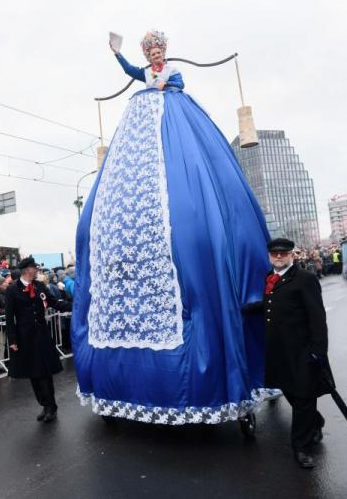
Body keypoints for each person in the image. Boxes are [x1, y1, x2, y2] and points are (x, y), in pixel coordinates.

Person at [71, 30, 271, 425]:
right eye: (151, 52)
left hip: (172, 124)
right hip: (142, 125)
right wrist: (118, 54)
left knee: (191, 200)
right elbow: (132, 71)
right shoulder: (144, 75)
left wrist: (162, 84)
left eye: (158, 50)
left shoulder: (173, 77)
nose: (155, 56)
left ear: (165, 51)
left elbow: (171, 83)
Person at [248, 238, 330, 469]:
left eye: (284, 253)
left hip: (303, 351)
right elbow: (272, 303)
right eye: (275, 254)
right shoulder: (269, 277)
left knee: (303, 397)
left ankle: (302, 448)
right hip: (279, 351)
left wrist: (319, 351)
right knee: (293, 394)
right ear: (269, 256)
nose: (279, 257)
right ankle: (316, 422)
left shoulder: (306, 279)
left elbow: (317, 317)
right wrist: (251, 308)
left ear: (292, 255)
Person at [5, 258, 71, 422]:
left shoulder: (40, 286)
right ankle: (44, 404)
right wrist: (12, 339)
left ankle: (51, 407)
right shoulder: (13, 290)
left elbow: (54, 303)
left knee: (45, 372)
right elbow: (9, 317)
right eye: (35, 268)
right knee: (33, 373)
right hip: (25, 337)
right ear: (28, 270)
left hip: (41, 336)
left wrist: (75, 305)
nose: (37, 270)